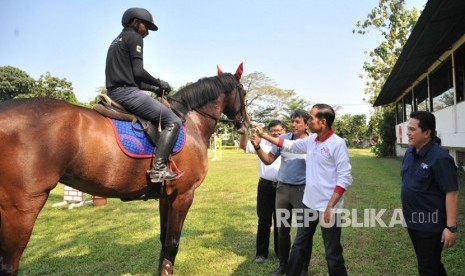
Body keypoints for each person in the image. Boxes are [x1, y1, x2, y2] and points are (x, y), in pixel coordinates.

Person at [254, 104, 352, 276]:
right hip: (309, 203)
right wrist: (263, 136)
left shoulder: (337, 144)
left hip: (328, 208)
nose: (309, 121)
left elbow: (345, 178)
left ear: (322, 122)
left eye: (311, 118)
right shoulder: (312, 141)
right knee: (299, 245)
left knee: (332, 253)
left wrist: (330, 206)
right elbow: (289, 145)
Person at [105, 8, 182, 182]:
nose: (147, 31)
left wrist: (154, 90)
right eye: (145, 25)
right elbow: (139, 72)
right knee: (173, 121)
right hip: (126, 93)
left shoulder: (116, 41)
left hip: (116, 90)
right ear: (134, 21)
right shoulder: (134, 37)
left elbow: (134, 78)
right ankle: (159, 169)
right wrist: (159, 82)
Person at [251, 110, 311, 276]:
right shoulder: (284, 139)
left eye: (297, 121)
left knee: (304, 231)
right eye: (292, 121)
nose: (293, 124)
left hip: (303, 191)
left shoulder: (312, 142)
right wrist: (257, 146)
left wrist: (264, 135)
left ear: (307, 124)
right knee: (282, 230)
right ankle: (283, 265)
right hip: (283, 190)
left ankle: (303, 268)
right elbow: (269, 160)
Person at [401, 111, 459, 275]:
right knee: (431, 264)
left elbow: (452, 193)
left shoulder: (440, 158)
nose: (408, 133)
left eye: (412, 129)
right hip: (413, 221)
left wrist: (450, 227)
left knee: (427, 268)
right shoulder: (409, 153)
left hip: (430, 225)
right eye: (408, 128)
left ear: (427, 133)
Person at [242, 120, 286, 264]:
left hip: (283, 187)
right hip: (265, 186)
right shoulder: (262, 142)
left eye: (279, 130)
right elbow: (244, 146)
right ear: (268, 131)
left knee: (281, 221)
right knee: (264, 221)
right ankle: (261, 253)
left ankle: (281, 253)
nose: (276, 133)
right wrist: (244, 132)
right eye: (273, 130)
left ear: (284, 131)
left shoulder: (288, 144)